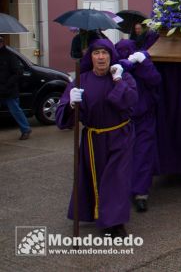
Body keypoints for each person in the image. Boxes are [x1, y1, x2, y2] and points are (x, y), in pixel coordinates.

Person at [55, 39, 139, 237]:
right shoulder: (80, 81)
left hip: (120, 135)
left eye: (105, 53)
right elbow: (62, 119)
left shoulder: (123, 78)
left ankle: (115, 223)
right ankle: (97, 213)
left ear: (111, 56)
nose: (101, 57)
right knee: (96, 178)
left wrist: (118, 81)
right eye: (96, 53)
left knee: (115, 178)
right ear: (90, 57)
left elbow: (131, 103)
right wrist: (71, 105)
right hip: (93, 139)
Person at [115, 39, 161, 213]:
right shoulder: (117, 68)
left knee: (143, 155)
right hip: (122, 120)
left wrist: (143, 62)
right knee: (122, 156)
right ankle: (122, 190)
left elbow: (155, 80)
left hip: (144, 118)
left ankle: (140, 192)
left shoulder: (142, 63)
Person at [0, 35, 32, 140]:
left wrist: (7, 85)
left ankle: (26, 129)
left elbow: (17, 72)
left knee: (15, 110)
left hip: (9, 90)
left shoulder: (10, 55)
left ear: (2, 43)